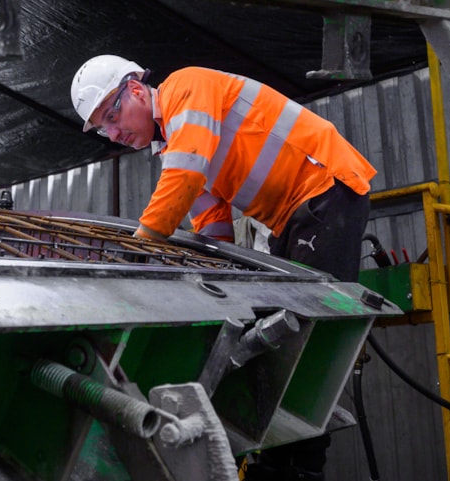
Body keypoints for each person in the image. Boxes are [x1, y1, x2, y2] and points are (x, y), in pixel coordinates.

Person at [70, 54, 377, 481]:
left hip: (326, 187)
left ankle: (301, 469)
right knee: (280, 338)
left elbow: (186, 174)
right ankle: (277, 461)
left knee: (306, 340)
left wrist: (135, 251)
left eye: (113, 114)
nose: (114, 132)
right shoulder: (175, 141)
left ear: (136, 89)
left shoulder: (186, 89)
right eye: (104, 127)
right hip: (293, 216)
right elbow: (211, 221)